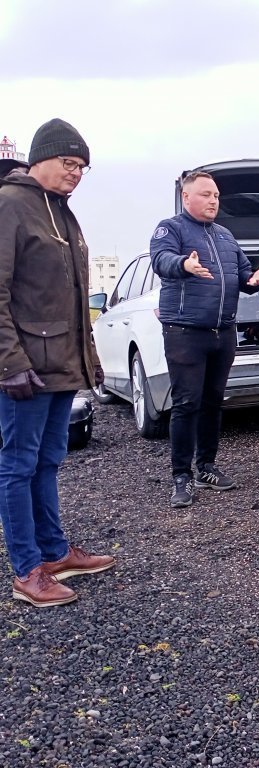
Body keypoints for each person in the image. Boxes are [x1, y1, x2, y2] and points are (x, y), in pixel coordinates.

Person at [0, 118, 115, 608]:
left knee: (48, 461)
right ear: (39, 157)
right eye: (69, 163)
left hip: (61, 364)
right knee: (17, 466)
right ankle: (26, 569)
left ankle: (53, 552)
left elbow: (72, 297)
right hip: (25, 367)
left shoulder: (62, 211)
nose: (76, 173)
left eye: (83, 167)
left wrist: (89, 358)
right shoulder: (10, 205)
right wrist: (8, 362)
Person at [150, 171, 259, 508]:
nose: (213, 200)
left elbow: (244, 276)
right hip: (185, 332)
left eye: (216, 195)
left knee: (213, 402)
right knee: (187, 403)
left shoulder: (226, 236)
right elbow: (161, 261)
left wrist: (255, 280)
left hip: (223, 332)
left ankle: (206, 467)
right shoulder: (171, 228)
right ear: (187, 198)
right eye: (206, 194)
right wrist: (184, 265)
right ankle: (181, 477)